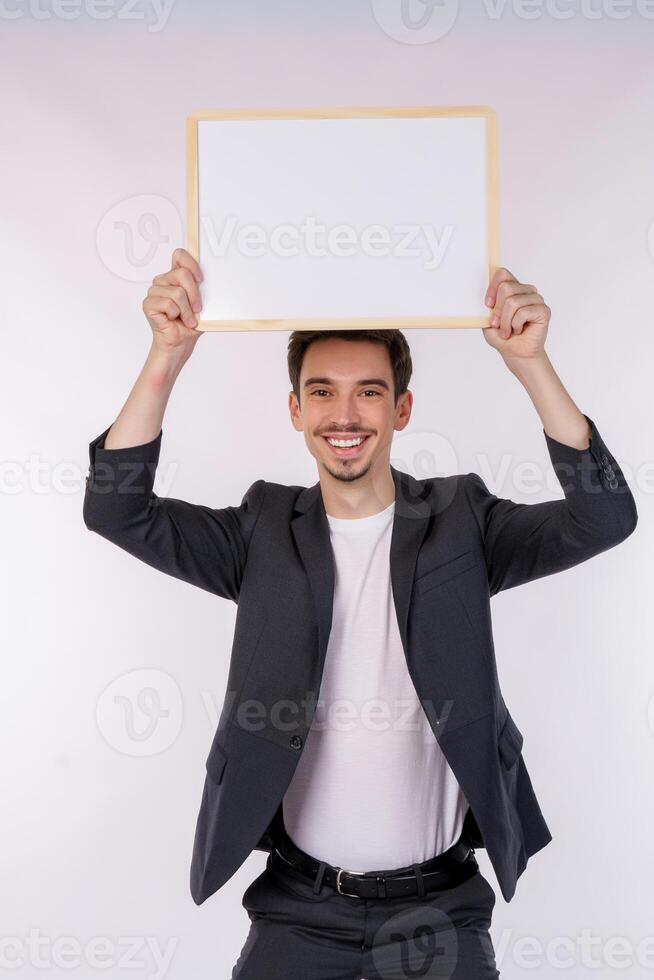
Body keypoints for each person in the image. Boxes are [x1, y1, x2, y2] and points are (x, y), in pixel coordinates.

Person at [83, 248, 637, 979]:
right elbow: (116, 509)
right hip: (299, 907)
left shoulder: (462, 519)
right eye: (322, 392)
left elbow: (605, 519)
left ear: (402, 408)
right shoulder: (260, 529)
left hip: (439, 907)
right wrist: (167, 355)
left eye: (369, 393)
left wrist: (531, 364)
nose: (344, 415)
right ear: (296, 409)